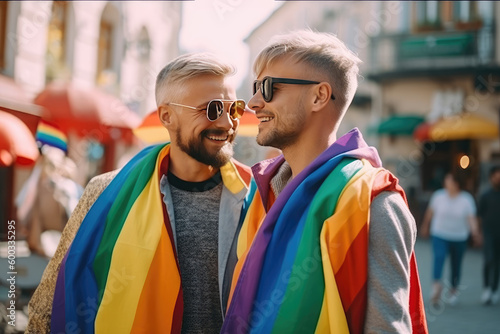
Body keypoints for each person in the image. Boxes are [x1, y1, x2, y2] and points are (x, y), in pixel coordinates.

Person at [26, 53, 252, 333]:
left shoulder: (256, 197)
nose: (228, 123)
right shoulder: (105, 193)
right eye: (213, 109)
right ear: (167, 116)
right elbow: (48, 305)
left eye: (235, 109)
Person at [221, 30, 428, 334]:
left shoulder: (372, 202)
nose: (253, 103)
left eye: (267, 88)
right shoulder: (259, 193)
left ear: (319, 96)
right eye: (254, 88)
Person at [421, 173, 480, 306]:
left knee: (456, 264)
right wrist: (425, 226)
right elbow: (430, 212)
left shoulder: (466, 199)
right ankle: (436, 287)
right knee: (439, 257)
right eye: (446, 180)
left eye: (449, 181)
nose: (446, 183)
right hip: (439, 234)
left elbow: (471, 218)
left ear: (456, 183)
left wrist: (475, 233)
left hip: (459, 237)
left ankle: (453, 291)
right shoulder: (438, 196)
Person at [478, 165, 500, 305]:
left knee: (497, 262)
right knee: (488, 260)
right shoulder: (485, 195)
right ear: (491, 177)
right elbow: (479, 216)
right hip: (488, 234)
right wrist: (479, 233)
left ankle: (494, 289)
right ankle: (486, 288)